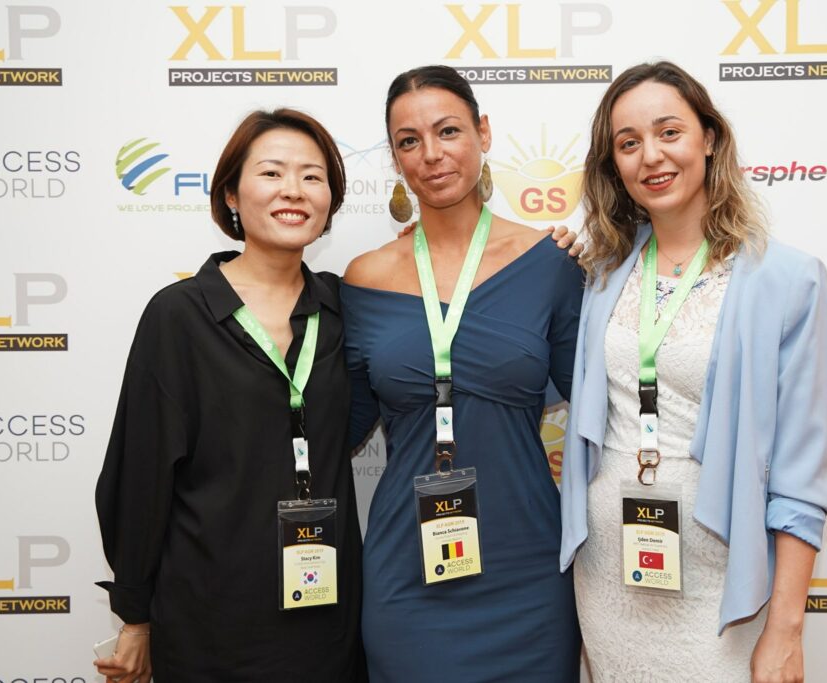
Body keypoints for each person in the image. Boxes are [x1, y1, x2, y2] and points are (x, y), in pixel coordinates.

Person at [560, 61, 827, 683]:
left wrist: (787, 629)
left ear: (709, 138)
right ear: (613, 165)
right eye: (628, 143)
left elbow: (801, 476)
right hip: (609, 573)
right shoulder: (600, 274)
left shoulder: (788, 280)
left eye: (669, 132)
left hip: (722, 588)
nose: (651, 156)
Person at [94, 109, 366, 681]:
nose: (293, 190)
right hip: (208, 621)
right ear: (231, 195)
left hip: (325, 619)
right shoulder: (179, 316)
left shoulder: (347, 309)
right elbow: (139, 476)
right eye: (272, 172)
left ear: (330, 200)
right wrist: (135, 617)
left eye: (312, 176)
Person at [341, 65, 583, 682]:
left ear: (484, 133)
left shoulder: (549, 263)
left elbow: (601, 406)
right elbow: (335, 426)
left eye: (448, 131)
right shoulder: (364, 279)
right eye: (409, 140)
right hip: (407, 572)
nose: (431, 154)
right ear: (395, 158)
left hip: (528, 571)